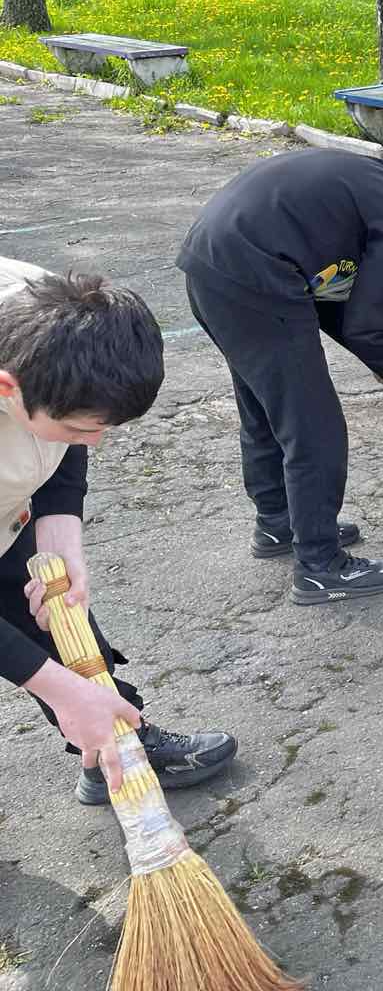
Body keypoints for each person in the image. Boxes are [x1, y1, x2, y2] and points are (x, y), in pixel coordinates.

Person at [177, 150, 383, 605]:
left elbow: (337, 308)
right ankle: (320, 567)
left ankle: (280, 523)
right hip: (254, 275)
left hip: (216, 266)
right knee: (316, 428)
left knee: (268, 411)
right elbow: (366, 325)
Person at [2, 259, 238, 804]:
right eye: (79, 428)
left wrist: (60, 530)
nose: (95, 442)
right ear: (7, 387)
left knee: (64, 630)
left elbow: (72, 427)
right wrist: (58, 689)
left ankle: (115, 745)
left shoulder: (54, 317)